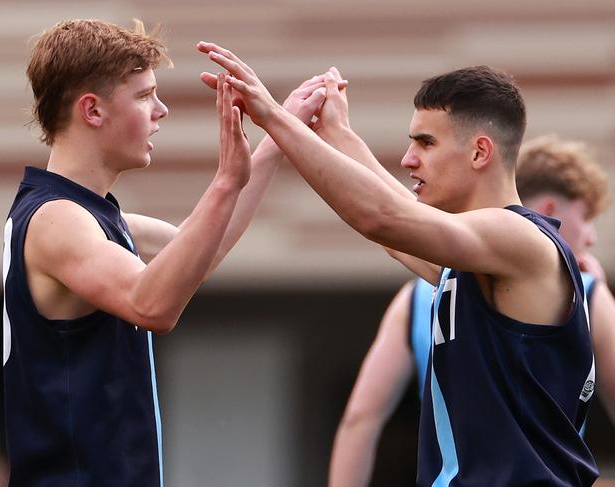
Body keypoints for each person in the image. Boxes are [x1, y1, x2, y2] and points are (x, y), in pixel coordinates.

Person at [198, 42, 598, 485]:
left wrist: (272, 116)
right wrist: (338, 134)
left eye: (425, 143)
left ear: (480, 152)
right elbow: (396, 226)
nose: (409, 159)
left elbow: (384, 218)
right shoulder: (475, 255)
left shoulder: (518, 236)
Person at [2, 19, 331, 486]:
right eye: (143, 96)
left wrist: (277, 131)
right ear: (92, 110)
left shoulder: (96, 220)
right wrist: (224, 181)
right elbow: (152, 304)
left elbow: (197, 253)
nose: (161, 111)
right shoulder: (58, 219)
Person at [328, 133, 615, 486]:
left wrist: (337, 135)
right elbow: (387, 217)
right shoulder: (588, 293)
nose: (591, 236)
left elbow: (361, 417)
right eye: (586, 217)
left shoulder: (417, 296)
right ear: (550, 210)